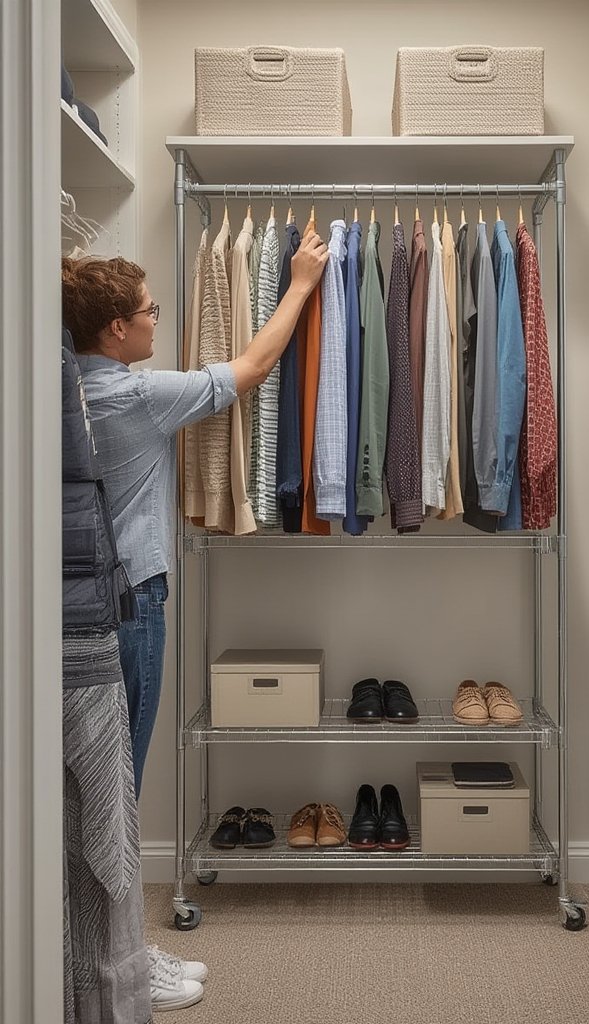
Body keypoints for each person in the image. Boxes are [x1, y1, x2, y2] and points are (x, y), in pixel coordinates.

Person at [60, 229, 328, 1015]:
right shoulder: (132, 397)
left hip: (83, 610)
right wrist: (303, 285)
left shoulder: (63, 390)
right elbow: (251, 369)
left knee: (92, 800)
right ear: (116, 331)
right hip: (132, 605)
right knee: (120, 790)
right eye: (146, 312)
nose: (154, 320)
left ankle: (109, 956)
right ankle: (123, 965)